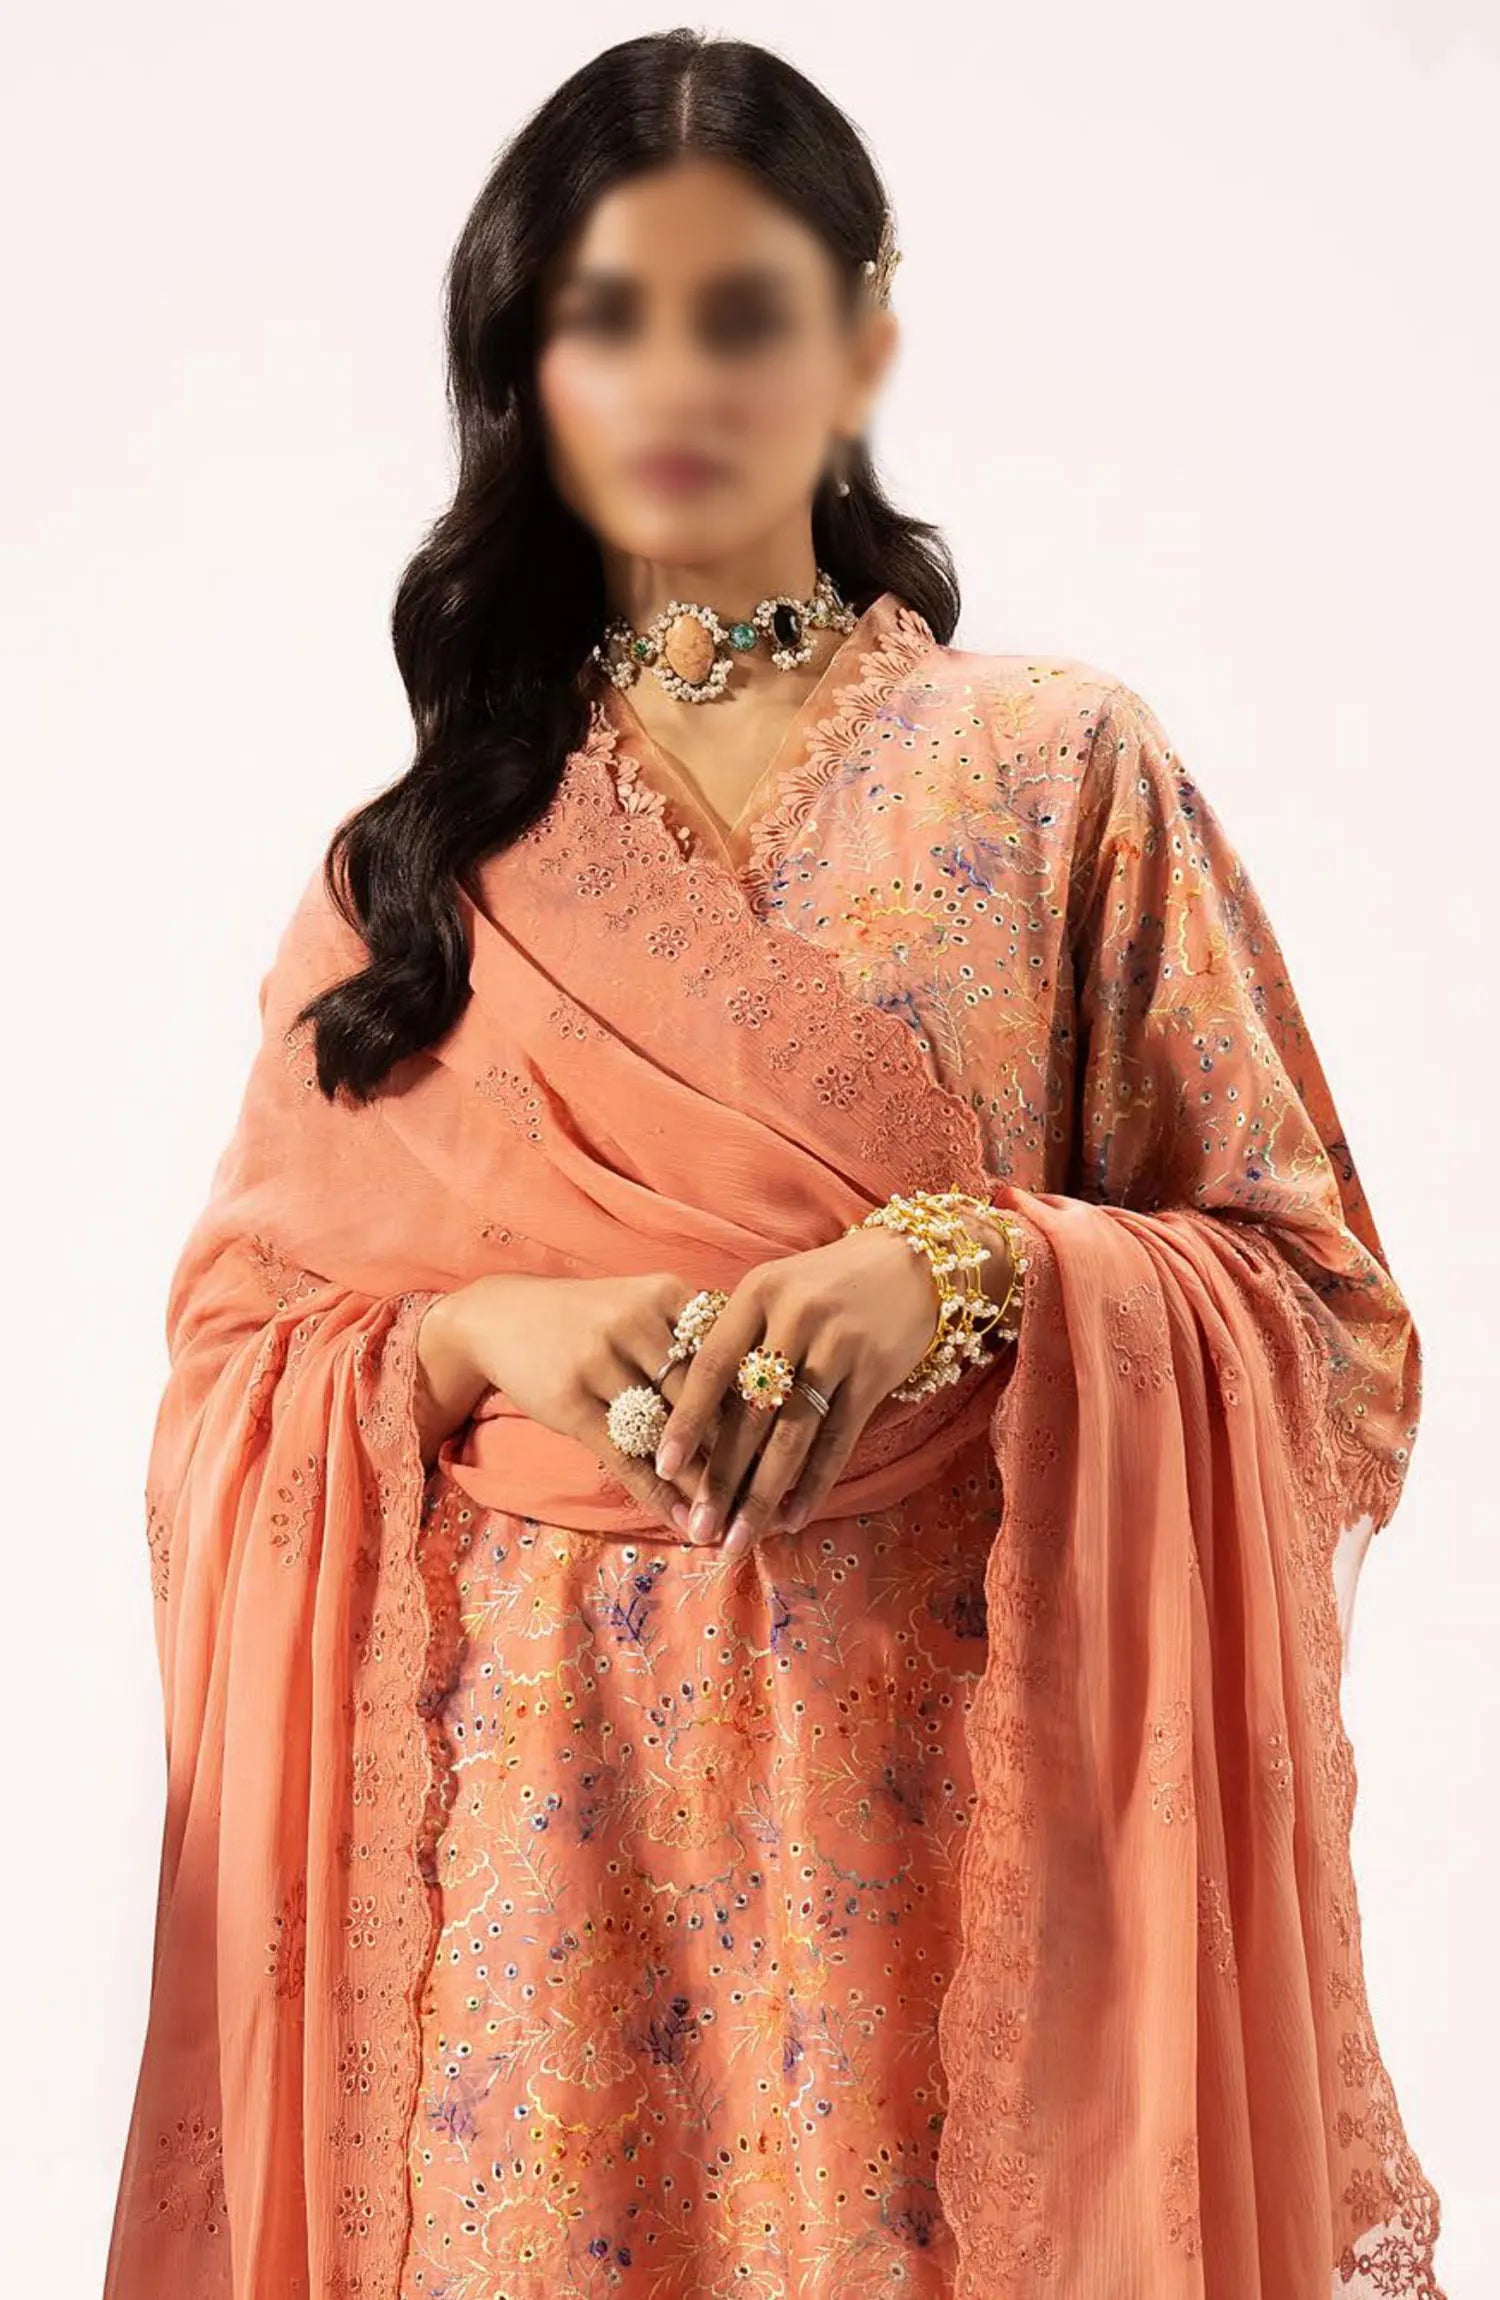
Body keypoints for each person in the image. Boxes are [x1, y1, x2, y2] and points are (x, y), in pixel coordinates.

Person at [102, 29, 1446, 2300]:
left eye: (741, 312)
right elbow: (234, 1374)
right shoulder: (419, 874)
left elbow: (1324, 1324)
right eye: (606, 317)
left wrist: (971, 1270)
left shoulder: (1055, 777)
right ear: (526, 366)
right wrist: (471, 1336)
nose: (674, 378)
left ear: (863, 338)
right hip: (536, 1900)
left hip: (961, 1880)